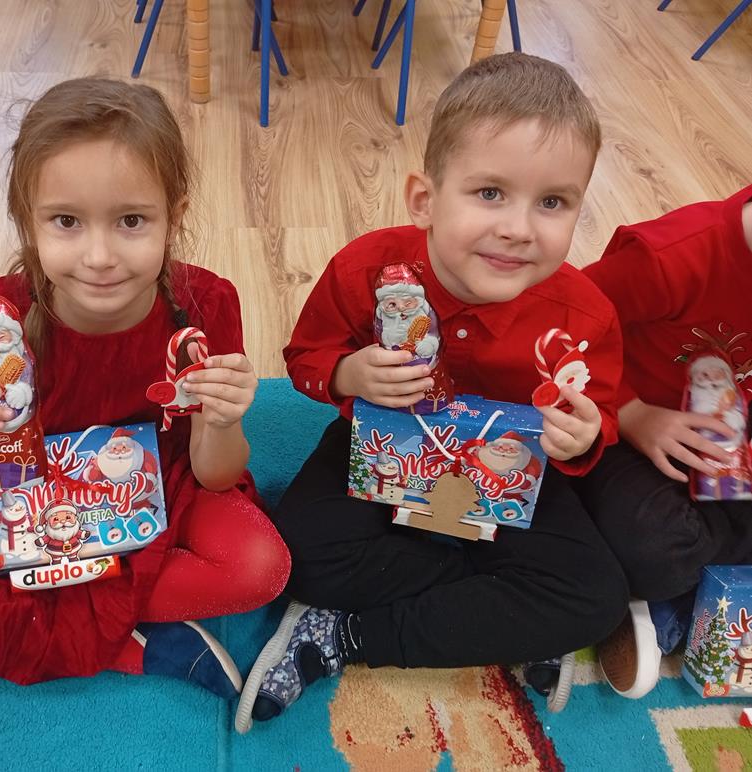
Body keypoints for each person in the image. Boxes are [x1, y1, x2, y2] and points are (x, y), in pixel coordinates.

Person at [0, 78, 290, 697]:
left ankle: (56, 617)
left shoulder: (204, 308)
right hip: (20, 482)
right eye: (66, 221)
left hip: (161, 478)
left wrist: (222, 422)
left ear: (175, 215)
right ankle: (132, 642)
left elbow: (216, 475)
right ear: (27, 222)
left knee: (261, 566)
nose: (99, 255)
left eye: (131, 220)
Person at [235, 53, 629, 731]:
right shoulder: (365, 269)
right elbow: (304, 358)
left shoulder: (584, 313)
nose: (518, 228)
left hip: (508, 474)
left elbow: (603, 415)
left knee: (594, 599)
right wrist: (348, 374)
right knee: (292, 556)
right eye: (489, 193)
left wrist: (583, 437)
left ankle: (345, 636)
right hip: (380, 446)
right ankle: (502, 614)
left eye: (552, 203)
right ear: (424, 199)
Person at [579, 184, 752, 698]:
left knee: (669, 553)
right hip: (628, 438)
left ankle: (679, 605)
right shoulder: (674, 257)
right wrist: (631, 412)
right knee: (658, 550)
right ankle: (664, 600)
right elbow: (564, 321)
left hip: (728, 452)